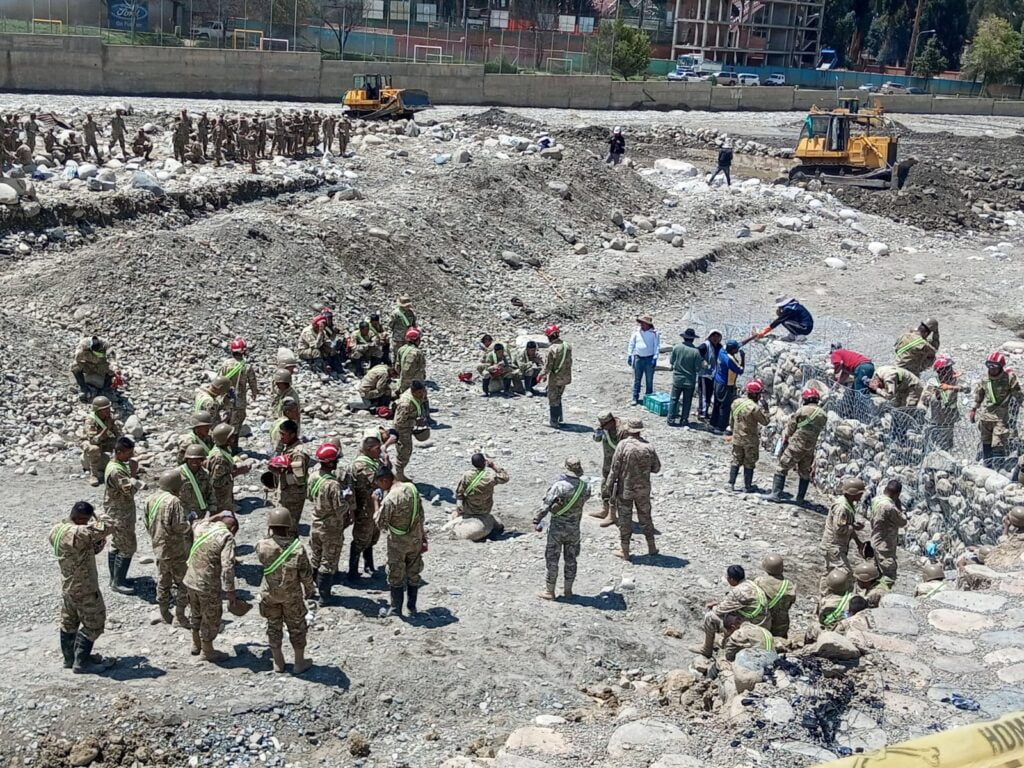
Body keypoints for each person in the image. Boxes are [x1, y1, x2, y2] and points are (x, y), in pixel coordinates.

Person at [50, 501, 114, 673]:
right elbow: (109, 525)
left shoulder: (57, 529)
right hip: (85, 588)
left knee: (69, 622)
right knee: (94, 623)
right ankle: (82, 663)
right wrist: (98, 514)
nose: (87, 523)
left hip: (68, 586)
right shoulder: (80, 532)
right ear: (79, 518)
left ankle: (70, 659)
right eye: (85, 520)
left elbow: (83, 549)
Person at [257, 506, 316, 674]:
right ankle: (299, 663)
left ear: (270, 525)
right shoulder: (297, 548)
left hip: (270, 595)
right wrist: (310, 590)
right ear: (288, 525)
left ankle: (278, 663)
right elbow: (306, 575)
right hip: (292, 596)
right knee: (297, 627)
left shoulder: (262, 546)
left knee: (273, 626)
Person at [533, 457, 591, 600]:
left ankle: (549, 591)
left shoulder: (559, 486)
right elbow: (585, 499)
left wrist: (537, 519)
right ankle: (568, 591)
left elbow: (546, 505)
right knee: (571, 560)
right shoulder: (585, 487)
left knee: (552, 559)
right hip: (574, 530)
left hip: (557, 530)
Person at [184, 511, 239, 662]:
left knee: (195, 612)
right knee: (210, 617)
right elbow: (227, 566)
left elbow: (200, 521)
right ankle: (207, 651)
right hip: (207, 584)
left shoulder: (202, 527)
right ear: (232, 529)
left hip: (190, 579)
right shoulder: (226, 537)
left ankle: (196, 644)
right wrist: (230, 591)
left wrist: (219, 515)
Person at [375, 466, 426, 618]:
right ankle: (412, 607)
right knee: (413, 573)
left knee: (395, 575)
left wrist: (376, 503)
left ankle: (396, 609)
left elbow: (380, 524)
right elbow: (420, 515)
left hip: (398, 544)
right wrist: (423, 536)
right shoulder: (412, 488)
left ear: (385, 480)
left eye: (379, 483)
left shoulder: (390, 499)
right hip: (415, 539)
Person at [143, 470, 192, 627]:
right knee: (183, 583)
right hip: (175, 549)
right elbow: (180, 526)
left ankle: (164, 613)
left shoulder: (150, 499)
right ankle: (180, 616)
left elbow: (146, 522)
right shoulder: (173, 501)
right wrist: (191, 525)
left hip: (159, 548)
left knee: (163, 581)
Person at [689, 564, 769, 658]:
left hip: (751, 628)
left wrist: (714, 607)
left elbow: (719, 611)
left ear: (732, 579)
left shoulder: (737, 592)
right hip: (764, 624)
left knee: (710, 617)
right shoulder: (751, 584)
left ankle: (706, 649)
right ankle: (726, 639)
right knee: (731, 615)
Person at [608, 419, 661, 560]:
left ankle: (625, 551)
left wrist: (609, 487)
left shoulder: (623, 445)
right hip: (643, 490)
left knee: (625, 520)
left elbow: (614, 469)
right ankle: (652, 547)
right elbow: (656, 468)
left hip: (626, 490)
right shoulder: (648, 447)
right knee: (646, 517)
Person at [308, 442, 353, 605]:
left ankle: (312, 588)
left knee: (315, 557)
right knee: (328, 561)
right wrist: (347, 500)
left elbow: (309, 497)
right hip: (331, 527)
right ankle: (325, 596)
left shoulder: (313, 476)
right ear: (331, 462)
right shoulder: (332, 484)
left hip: (315, 523)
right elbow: (340, 509)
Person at [767, 386, 827, 504]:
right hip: (810, 447)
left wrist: (786, 437)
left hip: (796, 444)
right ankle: (800, 499)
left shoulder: (802, 410)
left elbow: (791, 426)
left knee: (782, 466)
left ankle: (775, 494)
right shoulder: (823, 414)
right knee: (804, 472)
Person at [970, 351, 1023, 469]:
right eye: (989, 366)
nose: (992, 369)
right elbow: (979, 395)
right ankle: (987, 466)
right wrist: (973, 409)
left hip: (1001, 416)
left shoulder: (1009, 378)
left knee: (998, 443)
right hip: (986, 415)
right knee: (986, 441)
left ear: (1000, 367)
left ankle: (999, 468)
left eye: (994, 366)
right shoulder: (985, 379)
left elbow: (1019, 395)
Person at [349, 429, 388, 580]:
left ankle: (368, 564)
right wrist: (385, 467)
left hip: (373, 506)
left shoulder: (374, 461)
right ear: (368, 450)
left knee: (372, 537)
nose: (380, 451)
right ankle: (352, 572)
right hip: (364, 508)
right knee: (360, 538)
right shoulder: (362, 465)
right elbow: (378, 481)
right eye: (377, 449)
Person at [103, 436, 139, 595]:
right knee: (127, 546)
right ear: (119, 452)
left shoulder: (114, 465)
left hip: (116, 510)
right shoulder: (117, 470)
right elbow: (129, 491)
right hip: (121, 513)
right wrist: (134, 473)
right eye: (128, 453)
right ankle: (118, 582)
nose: (131, 456)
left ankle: (116, 578)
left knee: (117, 545)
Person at [820, 477, 866, 593]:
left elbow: (847, 525)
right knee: (846, 573)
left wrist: (858, 542)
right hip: (834, 546)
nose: (861, 496)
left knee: (830, 572)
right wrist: (854, 527)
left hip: (836, 545)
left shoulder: (848, 504)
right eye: (860, 493)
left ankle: (825, 597)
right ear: (853, 493)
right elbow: (839, 529)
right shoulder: (842, 508)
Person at [454, 454, 509, 541]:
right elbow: (505, 478)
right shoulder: (491, 476)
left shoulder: (466, 475)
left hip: (468, 510)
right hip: (483, 510)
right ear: (484, 462)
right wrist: (493, 466)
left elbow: (459, 493)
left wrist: (459, 506)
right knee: (497, 525)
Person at [728, 380, 770, 492]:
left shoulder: (736, 403)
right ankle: (747, 486)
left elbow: (732, 421)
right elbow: (765, 421)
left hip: (737, 438)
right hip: (750, 440)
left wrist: (734, 432)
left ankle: (731, 484)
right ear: (756, 394)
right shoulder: (754, 408)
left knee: (736, 459)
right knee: (749, 462)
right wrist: (766, 409)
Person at [270, 420, 309, 536]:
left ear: (292, 435)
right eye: (280, 433)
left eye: (283, 434)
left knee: (289, 529)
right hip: (285, 493)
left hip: (293, 497)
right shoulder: (288, 447)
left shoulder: (298, 453)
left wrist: (280, 474)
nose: (280, 437)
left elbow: (299, 479)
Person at [220, 337, 259, 453]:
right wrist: (254, 393)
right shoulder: (246, 366)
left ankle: (221, 444)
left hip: (226, 398)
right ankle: (233, 448)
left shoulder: (225, 364)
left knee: (225, 420)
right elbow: (252, 381)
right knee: (236, 425)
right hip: (239, 400)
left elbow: (219, 379)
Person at [922, 355, 963, 452]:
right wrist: (936, 394)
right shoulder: (933, 382)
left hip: (949, 419)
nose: (949, 371)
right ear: (940, 371)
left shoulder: (954, 380)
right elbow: (925, 399)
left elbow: (966, 388)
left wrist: (950, 387)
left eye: (949, 368)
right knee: (932, 443)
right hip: (934, 419)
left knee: (946, 445)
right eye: (946, 369)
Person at [868, 479, 906, 584]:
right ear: (897, 494)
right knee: (889, 576)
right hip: (885, 545)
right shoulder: (890, 507)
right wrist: (899, 507)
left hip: (875, 539)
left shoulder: (877, 500)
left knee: (875, 573)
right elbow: (902, 522)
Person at [592, 411, 625, 528]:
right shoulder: (604, 428)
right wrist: (598, 433)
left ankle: (612, 515)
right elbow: (597, 440)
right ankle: (604, 509)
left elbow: (625, 449)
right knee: (605, 485)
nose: (602, 427)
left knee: (614, 488)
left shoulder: (622, 430)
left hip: (618, 466)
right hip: (607, 463)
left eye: (603, 425)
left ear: (611, 422)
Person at [80, 396, 121, 487]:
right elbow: (93, 441)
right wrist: (105, 430)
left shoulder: (109, 417)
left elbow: (117, 433)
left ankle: (121, 469)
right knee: (94, 449)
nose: (108, 411)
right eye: (105, 409)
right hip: (89, 442)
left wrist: (120, 443)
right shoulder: (91, 420)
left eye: (108, 408)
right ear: (98, 410)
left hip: (104, 440)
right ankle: (94, 475)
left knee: (121, 445)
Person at [668, 328, 704, 427]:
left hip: (677, 379)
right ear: (693, 339)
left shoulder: (676, 348)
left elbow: (672, 361)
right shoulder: (696, 352)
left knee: (674, 399)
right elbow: (697, 368)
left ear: (684, 338)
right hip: (690, 380)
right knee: (687, 401)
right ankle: (684, 420)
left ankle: (670, 419)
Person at [393, 380, 428, 481]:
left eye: (423, 391)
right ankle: (399, 474)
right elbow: (399, 422)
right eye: (420, 393)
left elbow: (423, 400)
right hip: (402, 429)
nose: (422, 394)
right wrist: (415, 422)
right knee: (405, 450)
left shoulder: (420, 393)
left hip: (411, 422)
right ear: (413, 391)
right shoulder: (405, 404)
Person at [207, 424, 246, 513]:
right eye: (231, 437)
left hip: (225, 495)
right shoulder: (219, 458)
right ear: (225, 440)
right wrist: (237, 472)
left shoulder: (223, 450)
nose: (233, 438)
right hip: (220, 499)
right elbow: (216, 482)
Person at [743, 296, 814, 344]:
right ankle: (792, 336)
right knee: (785, 320)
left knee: (785, 322)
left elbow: (778, 321)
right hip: (804, 325)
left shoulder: (789, 309)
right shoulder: (793, 305)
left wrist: (764, 332)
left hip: (805, 328)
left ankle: (800, 337)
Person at [755, 554, 795, 640]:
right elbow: (791, 602)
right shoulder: (788, 585)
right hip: (781, 623)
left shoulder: (759, 582)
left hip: (764, 620)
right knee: (781, 643)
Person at [71, 335, 119, 403]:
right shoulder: (84, 343)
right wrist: (84, 350)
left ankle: (106, 390)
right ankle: (83, 388)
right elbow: (77, 358)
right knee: (75, 366)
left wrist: (114, 367)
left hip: (100, 365)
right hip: (88, 365)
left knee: (112, 370)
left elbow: (112, 357)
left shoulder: (105, 344)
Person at [542, 323, 573, 428]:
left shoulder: (552, 349)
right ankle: (560, 418)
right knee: (559, 396)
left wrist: (542, 375)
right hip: (566, 377)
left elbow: (548, 366)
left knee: (553, 398)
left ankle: (554, 422)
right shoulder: (567, 346)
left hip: (555, 377)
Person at [710, 340, 744, 433]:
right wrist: (743, 357)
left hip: (717, 381)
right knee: (725, 406)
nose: (737, 350)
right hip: (726, 384)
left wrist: (751, 338)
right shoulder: (729, 360)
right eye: (736, 349)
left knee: (717, 403)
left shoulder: (722, 351)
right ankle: (721, 427)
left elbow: (740, 343)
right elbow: (740, 370)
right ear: (732, 350)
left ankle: (713, 422)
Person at [627, 314, 661, 407]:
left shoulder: (654, 333)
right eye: (641, 323)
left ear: (648, 324)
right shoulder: (636, 332)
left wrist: (655, 357)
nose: (641, 324)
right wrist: (629, 354)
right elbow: (631, 343)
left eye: (643, 323)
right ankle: (635, 397)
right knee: (637, 379)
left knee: (649, 379)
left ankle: (648, 398)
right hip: (638, 357)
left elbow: (657, 346)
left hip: (649, 358)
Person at [696, 330, 722, 422]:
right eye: (713, 336)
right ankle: (702, 413)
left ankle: (705, 411)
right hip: (704, 374)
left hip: (713, 375)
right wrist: (702, 360)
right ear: (710, 337)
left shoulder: (719, 347)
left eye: (717, 336)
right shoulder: (705, 345)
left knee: (709, 394)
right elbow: (697, 353)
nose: (715, 338)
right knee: (703, 394)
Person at [397, 327, 427, 396]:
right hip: (416, 382)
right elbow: (422, 367)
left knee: (404, 396)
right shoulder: (418, 352)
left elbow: (397, 366)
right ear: (417, 340)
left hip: (404, 380)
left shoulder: (401, 349)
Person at [389, 295, 417, 361]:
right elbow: (391, 324)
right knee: (398, 356)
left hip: (405, 338)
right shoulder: (396, 313)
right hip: (400, 338)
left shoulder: (410, 313)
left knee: (405, 355)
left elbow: (391, 325)